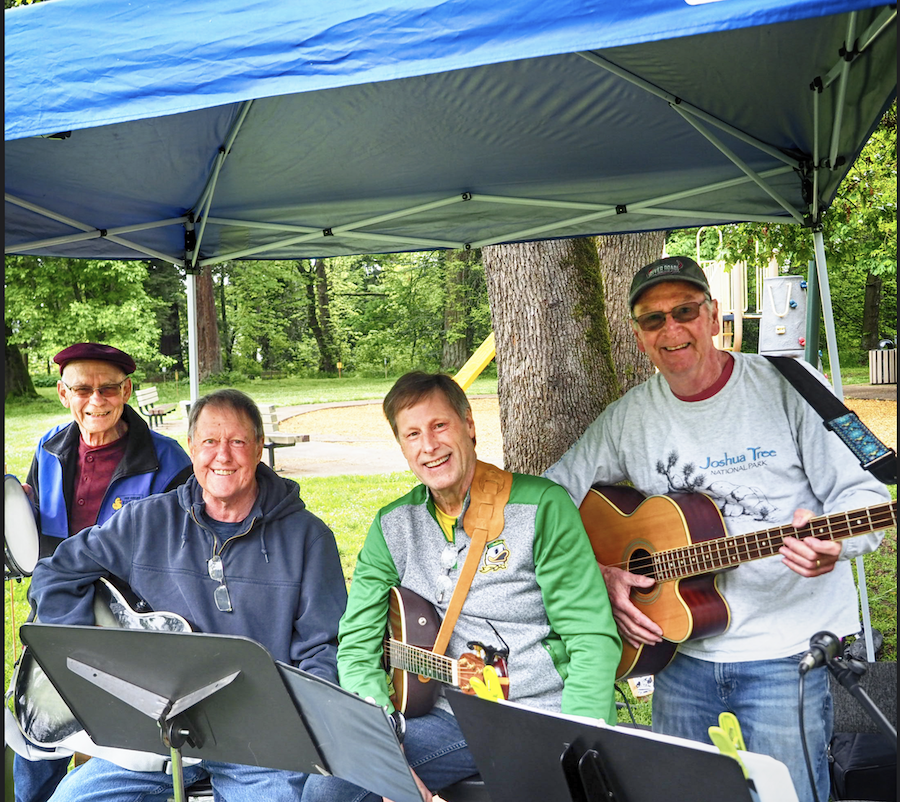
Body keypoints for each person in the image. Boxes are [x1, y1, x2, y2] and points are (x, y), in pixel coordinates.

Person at [544, 255, 889, 802]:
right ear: (638, 336)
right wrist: (599, 574)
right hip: (680, 655)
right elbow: (548, 500)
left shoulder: (791, 384)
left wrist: (835, 543)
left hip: (787, 654)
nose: (671, 329)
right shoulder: (629, 417)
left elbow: (866, 498)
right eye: (653, 319)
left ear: (713, 315)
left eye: (685, 311)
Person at [302, 372, 621, 802]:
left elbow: (591, 637)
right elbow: (357, 645)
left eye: (439, 426)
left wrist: (579, 743)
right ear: (402, 446)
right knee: (327, 789)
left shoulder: (542, 505)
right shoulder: (392, 526)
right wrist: (383, 740)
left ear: (469, 424)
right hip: (446, 717)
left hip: (537, 713)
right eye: (412, 434)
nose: (429, 446)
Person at [28, 389, 348, 802]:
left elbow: (325, 647)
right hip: (155, 731)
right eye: (210, 441)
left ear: (258, 447)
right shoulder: (147, 520)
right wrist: (85, 650)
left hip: (257, 742)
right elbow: (56, 572)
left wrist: (297, 726)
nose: (223, 455)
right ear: (192, 448)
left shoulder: (308, 538)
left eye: (237, 441)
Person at [13, 343, 192, 802]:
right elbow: (38, 532)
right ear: (63, 393)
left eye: (109, 388)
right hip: (56, 610)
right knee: (37, 731)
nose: (96, 400)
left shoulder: (168, 460)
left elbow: (181, 551)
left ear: (126, 391)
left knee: (117, 744)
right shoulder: (49, 448)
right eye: (82, 390)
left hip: (130, 623)